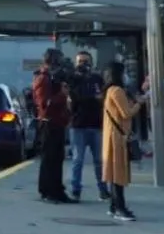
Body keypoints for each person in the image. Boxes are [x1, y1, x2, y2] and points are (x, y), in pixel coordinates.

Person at [102, 61, 146, 222]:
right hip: (117, 138)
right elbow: (126, 113)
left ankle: (115, 206)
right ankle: (119, 207)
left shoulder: (110, 90)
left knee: (114, 173)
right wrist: (139, 104)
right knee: (118, 173)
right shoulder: (117, 91)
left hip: (112, 135)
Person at [33, 48, 76, 204]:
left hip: (57, 122)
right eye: (58, 59)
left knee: (57, 158)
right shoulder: (43, 78)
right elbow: (45, 104)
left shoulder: (52, 78)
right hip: (48, 123)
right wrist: (61, 95)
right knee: (49, 158)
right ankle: (47, 190)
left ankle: (57, 190)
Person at [68, 51, 109, 201]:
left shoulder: (97, 79)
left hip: (96, 124)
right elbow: (74, 99)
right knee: (77, 160)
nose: (83, 64)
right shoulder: (73, 79)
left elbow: (103, 98)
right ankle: (76, 190)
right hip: (78, 124)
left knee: (99, 160)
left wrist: (93, 99)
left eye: (86, 61)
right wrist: (92, 98)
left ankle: (103, 189)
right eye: (80, 61)